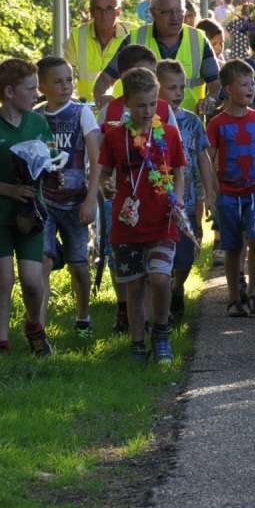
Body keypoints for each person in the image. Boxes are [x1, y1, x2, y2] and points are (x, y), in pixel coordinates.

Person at [81, 67, 187, 364]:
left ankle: (162, 332)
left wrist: (177, 197)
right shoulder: (115, 135)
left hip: (162, 220)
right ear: (126, 103)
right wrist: (106, 185)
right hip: (127, 223)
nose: (148, 110)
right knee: (134, 285)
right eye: (141, 105)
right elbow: (103, 172)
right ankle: (138, 343)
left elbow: (179, 170)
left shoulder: (168, 133)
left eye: (153, 104)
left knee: (160, 277)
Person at [0, 58, 54, 356]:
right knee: (3, 278)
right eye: (31, 88)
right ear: (9, 92)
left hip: (32, 215)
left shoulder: (38, 122)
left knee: (33, 282)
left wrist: (53, 170)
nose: (37, 94)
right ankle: (1, 341)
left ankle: (34, 324)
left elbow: (49, 159)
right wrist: (9, 190)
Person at [36, 56, 101, 339]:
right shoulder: (36, 117)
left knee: (78, 264)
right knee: (44, 261)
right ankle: (38, 327)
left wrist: (90, 199)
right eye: (58, 81)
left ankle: (83, 316)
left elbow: (97, 159)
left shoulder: (81, 113)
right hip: (45, 202)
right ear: (42, 86)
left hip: (76, 202)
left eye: (68, 80)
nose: (65, 86)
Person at [207, 59, 255, 318]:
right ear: (227, 89)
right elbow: (209, 159)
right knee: (233, 247)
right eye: (244, 84)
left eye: (252, 84)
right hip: (229, 195)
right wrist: (213, 192)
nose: (251, 89)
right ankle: (234, 297)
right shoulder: (217, 123)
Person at [93, 0, 221, 115]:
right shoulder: (135, 39)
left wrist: (210, 99)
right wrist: (103, 97)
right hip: (141, 128)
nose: (175, 17)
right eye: (167, 12)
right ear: (153, 12)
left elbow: (217, 84)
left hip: (187, 126)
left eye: (179, 11)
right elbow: (105, 79)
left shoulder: (198, 39)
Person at [158, 59, 216, 324]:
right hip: (157, 203)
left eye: (181, 88)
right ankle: (164, 300)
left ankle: (177, 285)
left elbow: (204, 156)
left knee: (185, 255)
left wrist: (211, 192)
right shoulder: (148, 122)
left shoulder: (192, 122)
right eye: (172, 88)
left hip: (189, 201)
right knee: (162, 255)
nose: (179, 93)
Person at [65, 0, 130, 103]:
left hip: (124, 109)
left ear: (118, 11)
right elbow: (66, 72)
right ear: (91, 12)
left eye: (109, 9)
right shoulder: (78, 35)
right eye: (98, 9)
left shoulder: (133, 34)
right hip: (86, 108)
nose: (103, 15)